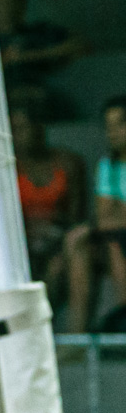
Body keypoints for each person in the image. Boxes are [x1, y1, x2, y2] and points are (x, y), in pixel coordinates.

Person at [9, 89, 90, 331]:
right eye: (14, 129)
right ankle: (33, 330)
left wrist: (54, 236)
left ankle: (67, 335)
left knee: (58, 266)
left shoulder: (69, 163)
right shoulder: (8, 169)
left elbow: (77, 217)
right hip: (21, 245)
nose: (18, 135)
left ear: (40, 127)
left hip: (59, 243)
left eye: (23, 127)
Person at [0, 0, 79, 89]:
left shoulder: (38, 33)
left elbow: (79, 45)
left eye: (9, 1)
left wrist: (25, 56)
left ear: (21, 3)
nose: (3, 7)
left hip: (40, 93)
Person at [91, 95, 126, 321]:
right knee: (112, 242)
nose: (113, 132)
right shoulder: (107, 167)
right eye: (108, 126)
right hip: (118, 239)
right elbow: (104, 221)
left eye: (120, 124)